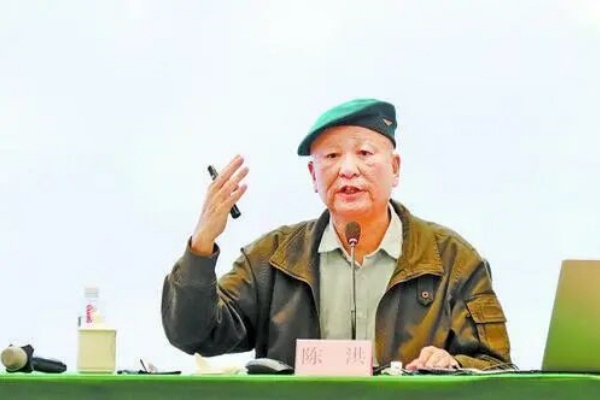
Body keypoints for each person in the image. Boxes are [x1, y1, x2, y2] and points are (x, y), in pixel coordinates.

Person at [161, 98, 512, 371]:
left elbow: (497, 365)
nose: (347, 169)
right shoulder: (272, 260)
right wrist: (201, 244)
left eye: (364, 153)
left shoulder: (452, 260)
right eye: (331, 156)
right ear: (313, 175)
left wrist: (454, 365)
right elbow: (194, 334)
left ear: (394, 168)